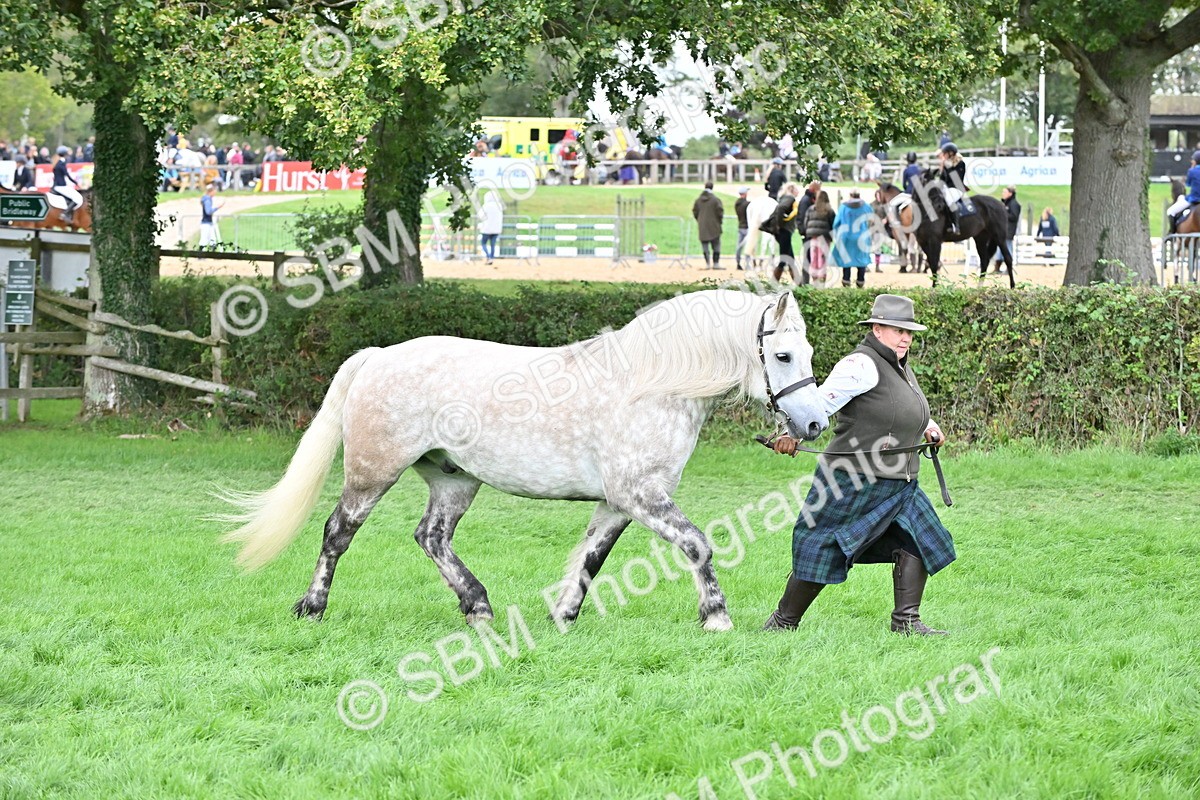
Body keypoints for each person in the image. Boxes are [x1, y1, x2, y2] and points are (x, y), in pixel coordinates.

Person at [763, 294, 953, 636]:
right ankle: (783, 622)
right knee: (822, 546)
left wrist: (928, 426)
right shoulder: (860, 365)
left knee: (920, 538)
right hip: (850, 480)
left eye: (909, 332)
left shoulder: (899, 365)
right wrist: (790, 435)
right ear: (877, 329)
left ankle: (906, 623)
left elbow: (905, 407)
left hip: (900, 481)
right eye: (898, 331)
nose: (905, 338)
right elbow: (819, 406)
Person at [831, 189, 873, 288]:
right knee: (861, 259)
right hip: (862, 237)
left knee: (846, 260)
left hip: (846, 237)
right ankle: (860, 281)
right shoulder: (866, 206)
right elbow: (871, 220)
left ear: (850, 195)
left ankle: (846, 281)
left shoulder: (843, 207)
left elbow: (836, 223)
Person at [769, 183, 802, 282]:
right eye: (796, 189)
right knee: (784, 259)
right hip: (784, 231)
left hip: (784, 231)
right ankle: (774, 282)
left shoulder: (785, 198)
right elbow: (781, 209)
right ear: (792, 190)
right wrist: (781, 224)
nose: (798, 191)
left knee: (790, 258)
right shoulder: (790, 198)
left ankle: (798, 283)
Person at [802, 190, 835, 287]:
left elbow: (805, 222)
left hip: (813, 237)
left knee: (814, 260)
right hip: (824, 239)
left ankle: (815, 281)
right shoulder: (829, 210)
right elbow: (833, 225)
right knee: (822, 260)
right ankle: (821, 283)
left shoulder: (811, 209)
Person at [936, 142, 969, 235]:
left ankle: (955, 225)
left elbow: (956, 178)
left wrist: (948, 167)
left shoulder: (961, 164)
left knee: (949, 200)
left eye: (945, 153)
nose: (943, 156)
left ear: (950, 153)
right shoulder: (946, 163)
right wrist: (942, 169)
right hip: (946, 188)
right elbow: (942, 179)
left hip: (957, 188)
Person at [693, 181, 725, 270]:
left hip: (702, 225)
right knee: (716, 245)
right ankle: (716, 263)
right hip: (715, 225)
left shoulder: (698, 200)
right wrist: (719, 221)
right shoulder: (716, 200)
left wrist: (699, 220)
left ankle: (707, 263)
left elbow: (695, 212)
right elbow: (720, 212)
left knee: (705, 245)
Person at [1167, 151, 1200, 233]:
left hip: (1194, 199)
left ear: (1196, 161)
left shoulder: (1192, 171)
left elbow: (1188, 184)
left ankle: (1172, 232)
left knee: (1170, 211)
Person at [795, 180, 820, 284]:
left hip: (809, 233)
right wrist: (804, 232)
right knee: (807, 258)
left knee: (810, 258)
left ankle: (807, 282)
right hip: (807, 234)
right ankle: (805, 282)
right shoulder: (806, 201)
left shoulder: (810, 199)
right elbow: (801, 217)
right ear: (814, 189)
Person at [50, 146, 83, 223]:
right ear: (65, 154)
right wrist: (76, 183)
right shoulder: (61, 163)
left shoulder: (58, 162)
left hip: (58, 185)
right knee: (77, 199)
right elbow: (67, 175)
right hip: (60, 186)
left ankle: (69, 214)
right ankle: (65, 214)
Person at [996, 186, 1020, 271]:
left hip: (1008, 231)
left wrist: (1003, 213)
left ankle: (1008, 268)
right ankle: (997, 267)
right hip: (1002, 230)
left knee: (1008, 249)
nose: (1003, 194)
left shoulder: (1014, 204)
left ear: (1010, 193)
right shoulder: (1005, 203)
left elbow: (1014, 217)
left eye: (1005, 192)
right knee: (1000, 249)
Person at [478, 190, 503, 265]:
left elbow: (480, 215)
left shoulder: (486, 206)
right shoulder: (499, 205)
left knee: (483, 243)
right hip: (496, 229)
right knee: (493, 245)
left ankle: (488, 257)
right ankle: (491, 258)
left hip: (486, 228)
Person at [199, 183, 224, 247]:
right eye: (214, 192)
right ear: (211, 191)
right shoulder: (207, 200)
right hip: (206, 223)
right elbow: (208, 211)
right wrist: (217, 207)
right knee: (204, 240)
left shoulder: (207, 199)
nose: (215, 193)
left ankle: (211, 250)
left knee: (212, 239)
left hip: (208, 222)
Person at [734, 187, 750, 271]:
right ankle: (747, 263)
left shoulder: (737, 204)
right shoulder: (747, 204)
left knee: (739, 245)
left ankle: (738, 262)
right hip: (747, 227)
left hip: (740, 226)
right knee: (748, 246)